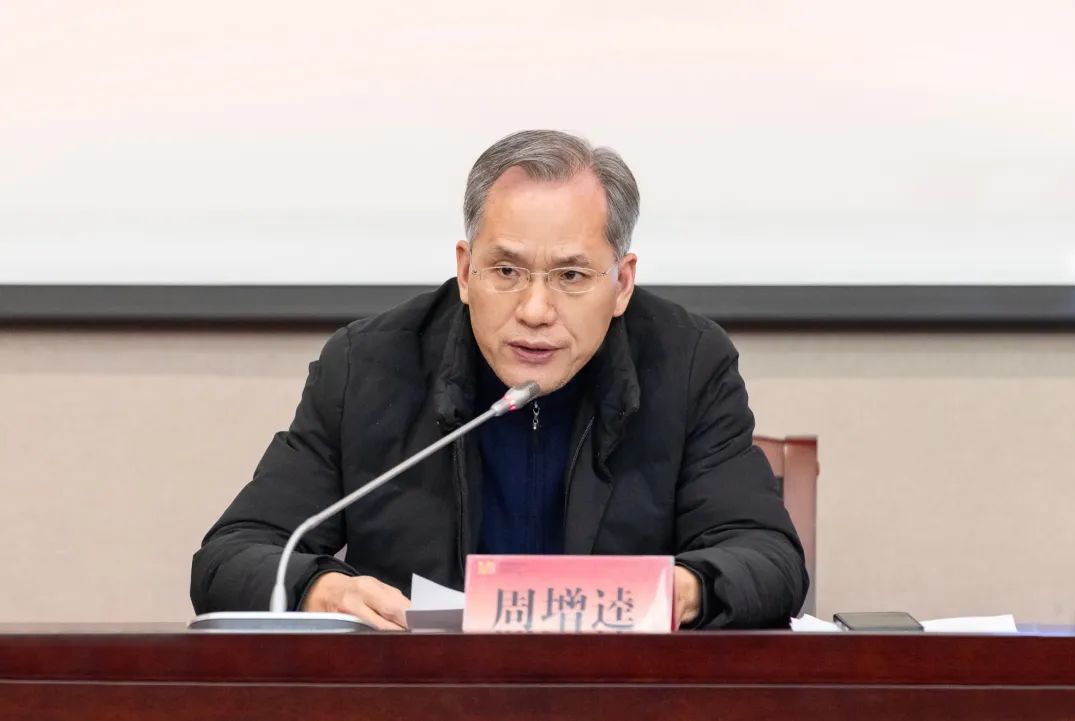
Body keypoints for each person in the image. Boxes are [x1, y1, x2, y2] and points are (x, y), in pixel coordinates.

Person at [190, 130, 807, 630]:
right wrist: (322, 589)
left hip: (621, 696)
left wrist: (678, 591)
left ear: (621, 283)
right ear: (465, 272)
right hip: (427, 699)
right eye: (506, 270)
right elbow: (232, 556)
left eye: (571, 276)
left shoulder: (687, 363)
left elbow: (768, 558)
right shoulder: (368, 367)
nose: (535, 310)